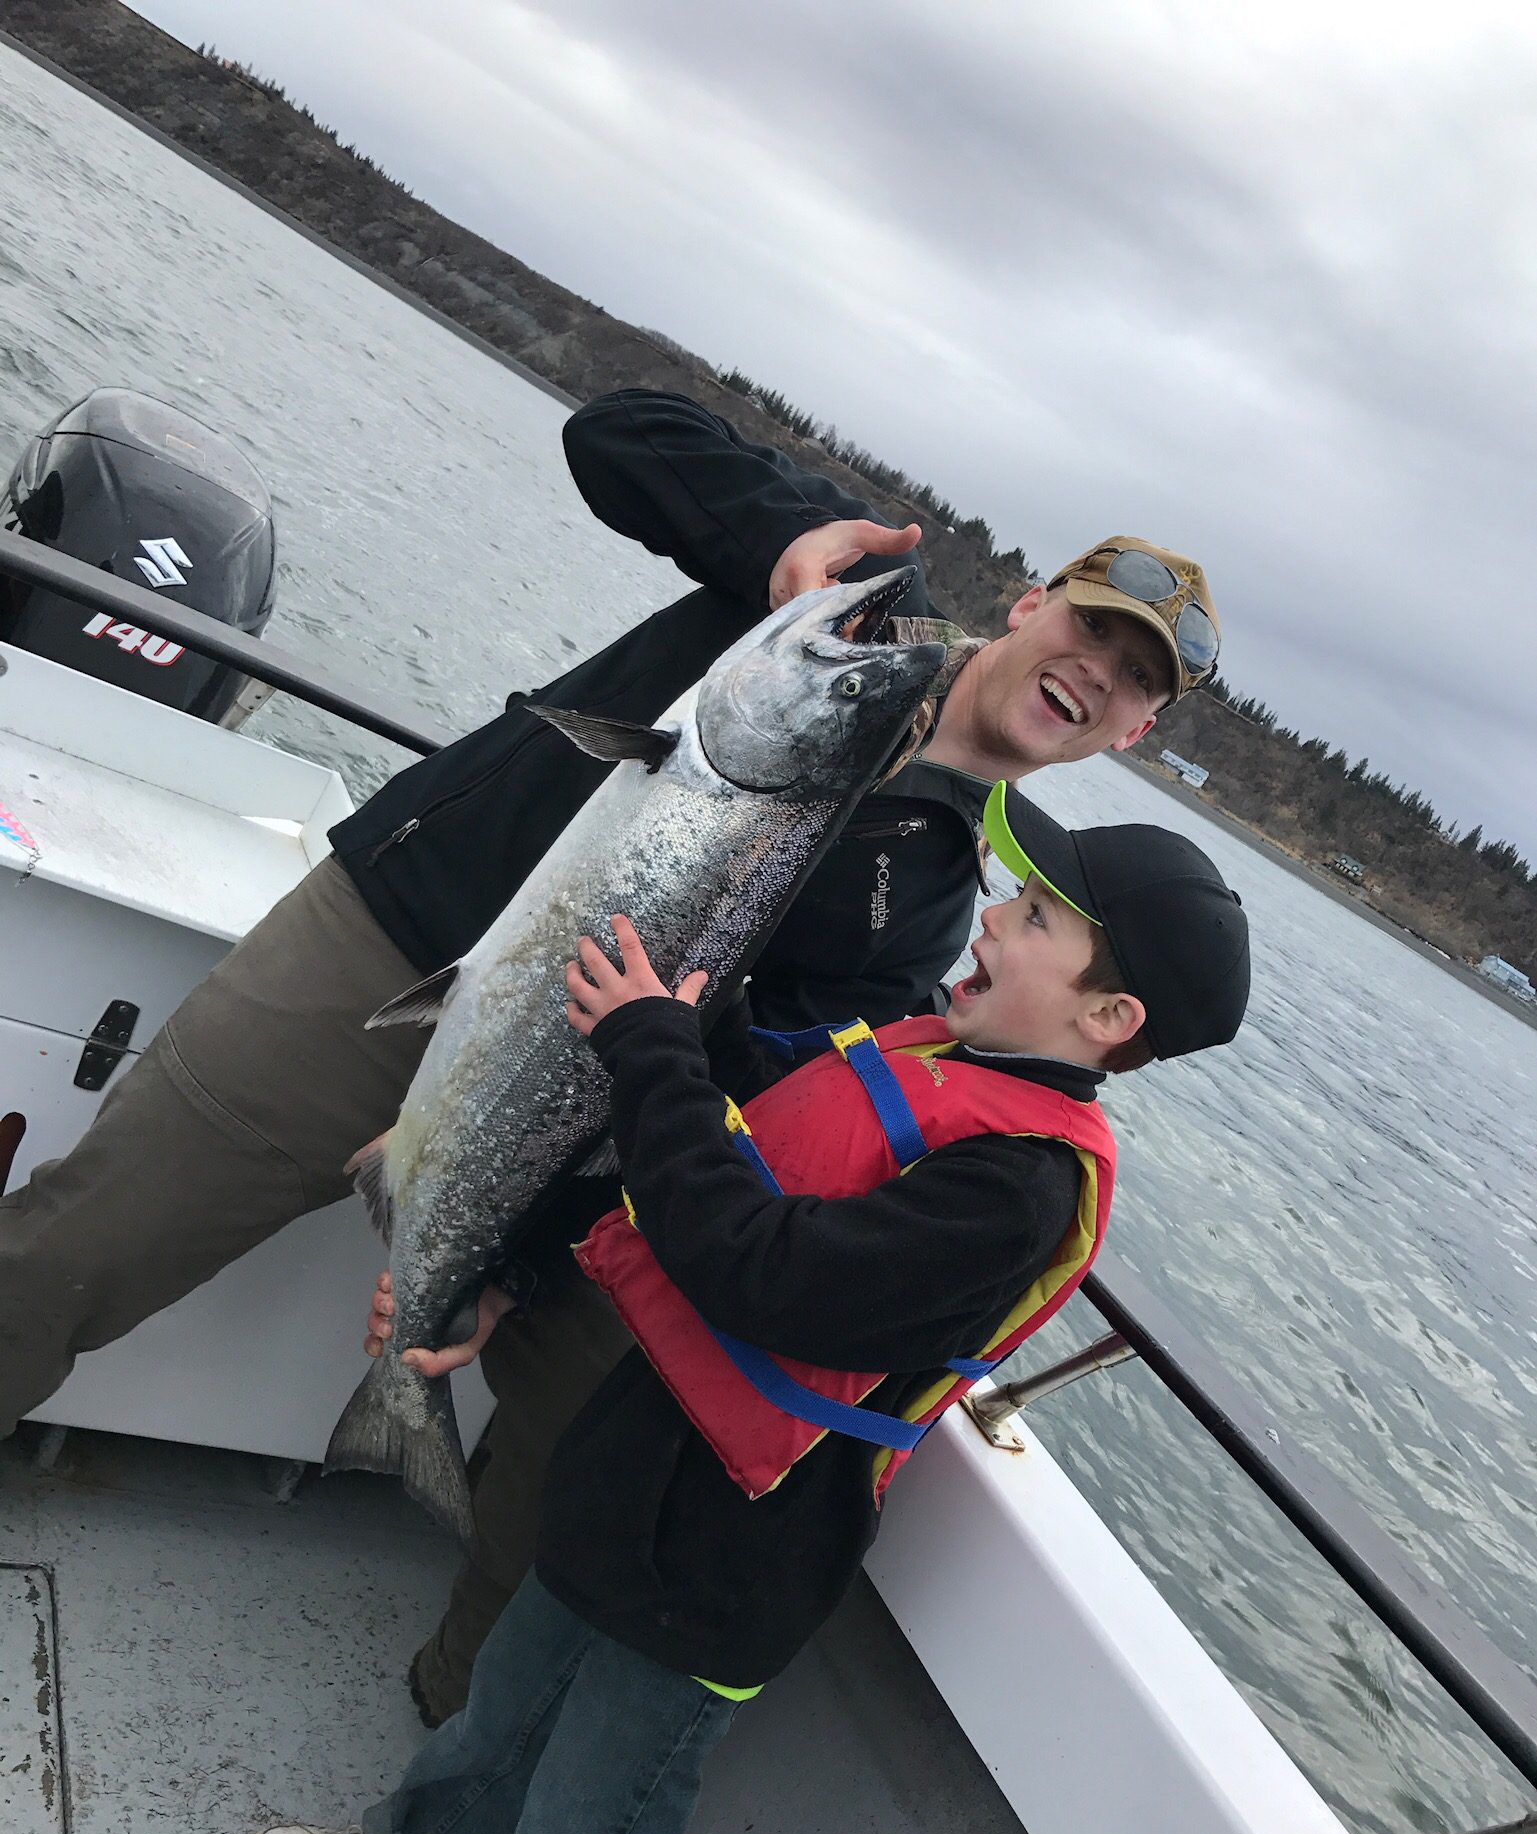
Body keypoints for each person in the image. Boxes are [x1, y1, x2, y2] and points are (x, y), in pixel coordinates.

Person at [0, 386, 1219, 1718]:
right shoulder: (836, 601)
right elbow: (620, 434)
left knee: (574, 1454)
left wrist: (500, 1261)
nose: (1099, 672)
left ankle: (437, 1749)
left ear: (1130, 732)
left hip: (560, 1098)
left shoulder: (932, 906)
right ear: (1036, 598)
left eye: (1137, 679)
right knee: (79, 1242)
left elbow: (731, 1073)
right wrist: (782, 542)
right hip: (388, 941)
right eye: (1096, 631)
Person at [233, 785, 1250, 1834]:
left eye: (1036, 915)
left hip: (730, 1560)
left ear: (1109, 1018)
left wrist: (648, 1048)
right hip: (631, 1462)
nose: (992, 915)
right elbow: (755, 1125)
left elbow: (767, 1271)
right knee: (504, 1700)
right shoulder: (933, 1053)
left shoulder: (1020, 1185)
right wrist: (683, 1022)